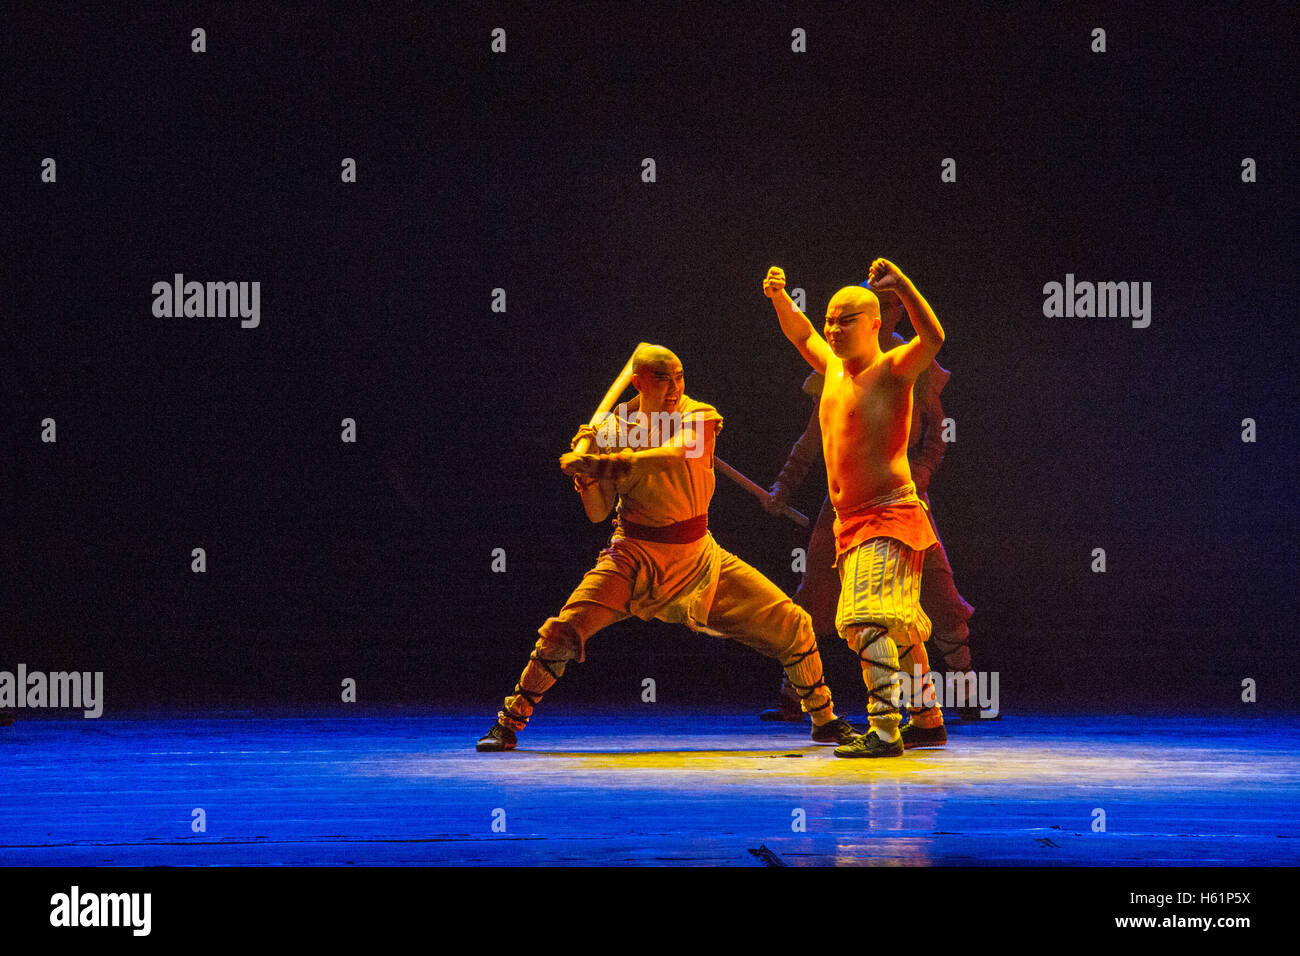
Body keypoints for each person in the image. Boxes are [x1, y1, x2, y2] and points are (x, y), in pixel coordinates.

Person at [476, 344, 860, 752]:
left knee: (792, 622)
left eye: (679, 375)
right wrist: (588, 478)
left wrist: (601, 462)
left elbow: (672, 456)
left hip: (698, 557)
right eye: (663, 378)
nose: (675, 386)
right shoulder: (614, 426)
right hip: (633, 555)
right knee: (564, 631)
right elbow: (598, 512)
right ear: (639, 382)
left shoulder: (700, 417)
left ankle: (824, 718)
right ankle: (509, 722)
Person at [761, 292, 981, 722]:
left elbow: (934, 338)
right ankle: (927, 718)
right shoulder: (832, 371)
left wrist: (903, 284)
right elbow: (801, 334)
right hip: (846, 518)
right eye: (830, 320)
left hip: (893, 510)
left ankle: (888, 723)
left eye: (846, 320)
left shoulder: (896, 368)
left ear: (877, 322)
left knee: (871, 618)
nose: (833, 329)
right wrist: (779, 298)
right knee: (888, 624)